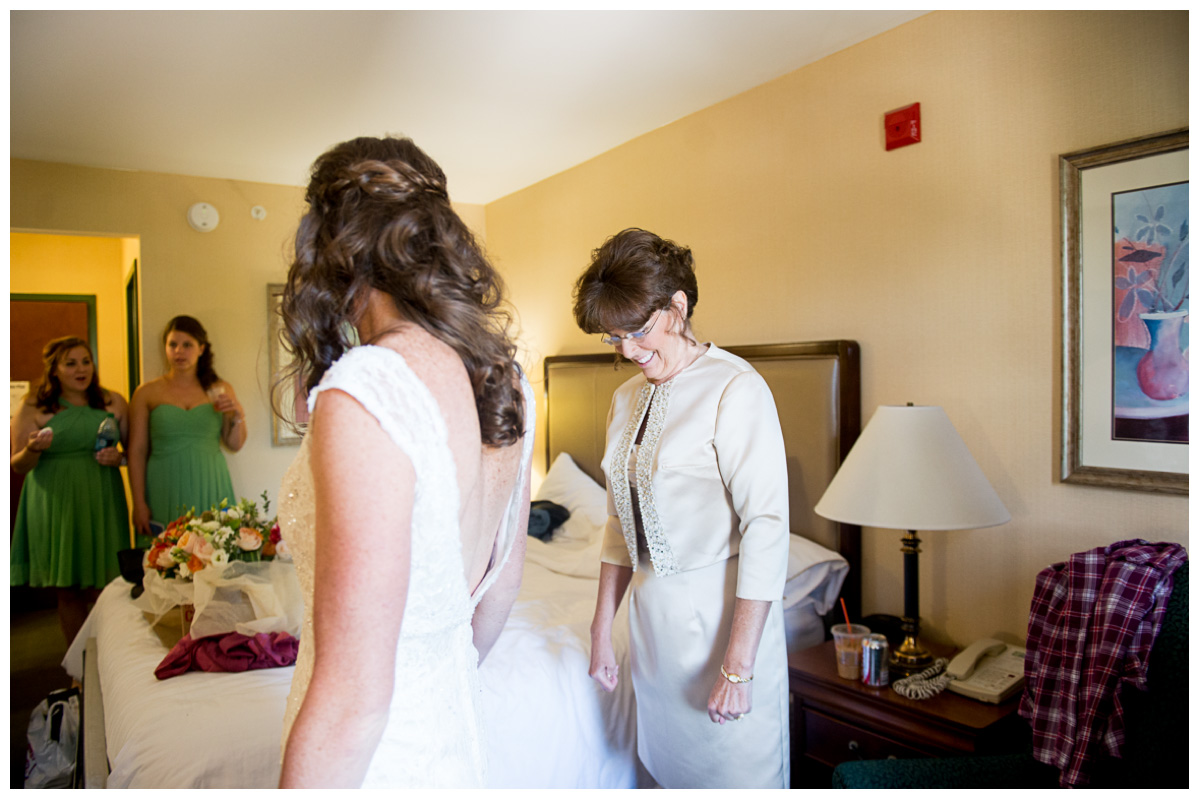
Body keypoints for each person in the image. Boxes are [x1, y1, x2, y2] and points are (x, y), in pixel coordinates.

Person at [276, 136, 534, 789]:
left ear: (331, 247)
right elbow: (499, 592)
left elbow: (350, 703)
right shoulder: (508, 383)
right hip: (450, 731)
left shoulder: (371, 387)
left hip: (377, 761)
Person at [575, 228, 791, 789]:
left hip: (721, 630)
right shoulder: (625, 400)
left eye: (638, 331)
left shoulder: (735, 388)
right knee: (666, 775)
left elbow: (767, 529)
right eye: (613, 337)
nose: (626, 350)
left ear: (679, 305)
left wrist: (738, 668)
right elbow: (620, 525)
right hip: (654, 632)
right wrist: (603, 631)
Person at [10, 337, 131, 645]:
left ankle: (111, 657)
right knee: (69, 587)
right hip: (55, 499)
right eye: (71, 363)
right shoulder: (34, 405)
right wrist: (32, 448)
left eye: (86, 361)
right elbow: (18, 465)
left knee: (109, 585)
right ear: (55, 370)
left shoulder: (113, 402)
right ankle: (77, 667)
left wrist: (120, 458)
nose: (81, 369)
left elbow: (136, 453)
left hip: (101, 497)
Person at [128, 315, 245, 537]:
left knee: (215, 554)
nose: (179, 351)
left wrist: (237, 412)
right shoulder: (146, 393)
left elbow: (235, 444)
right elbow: (137, 451)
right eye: (173, 345)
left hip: (211, 480)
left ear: (201, 349)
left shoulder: (219, 389)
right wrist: (139, 503)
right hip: (164, 481)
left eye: (187, 345)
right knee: (167, 556)